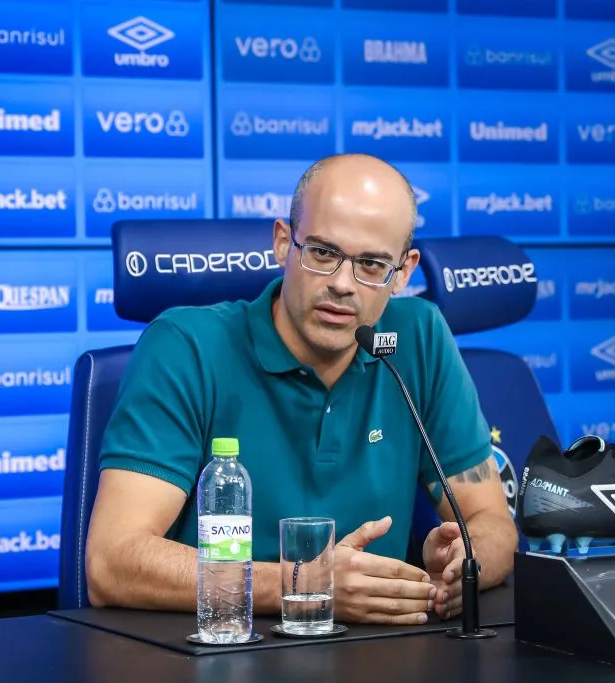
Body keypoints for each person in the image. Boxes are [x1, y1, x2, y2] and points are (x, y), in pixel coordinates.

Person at [85, 153, 518, 625]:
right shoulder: (185, 345)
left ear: (404, 272)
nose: (342, 284)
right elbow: (111, 562)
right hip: (222, 644)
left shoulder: (419, 338)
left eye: (372, 264)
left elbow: (493, 524)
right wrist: (306, 583)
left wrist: (463, 567)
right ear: (281, 242)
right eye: (323, 253)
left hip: (377, 649)